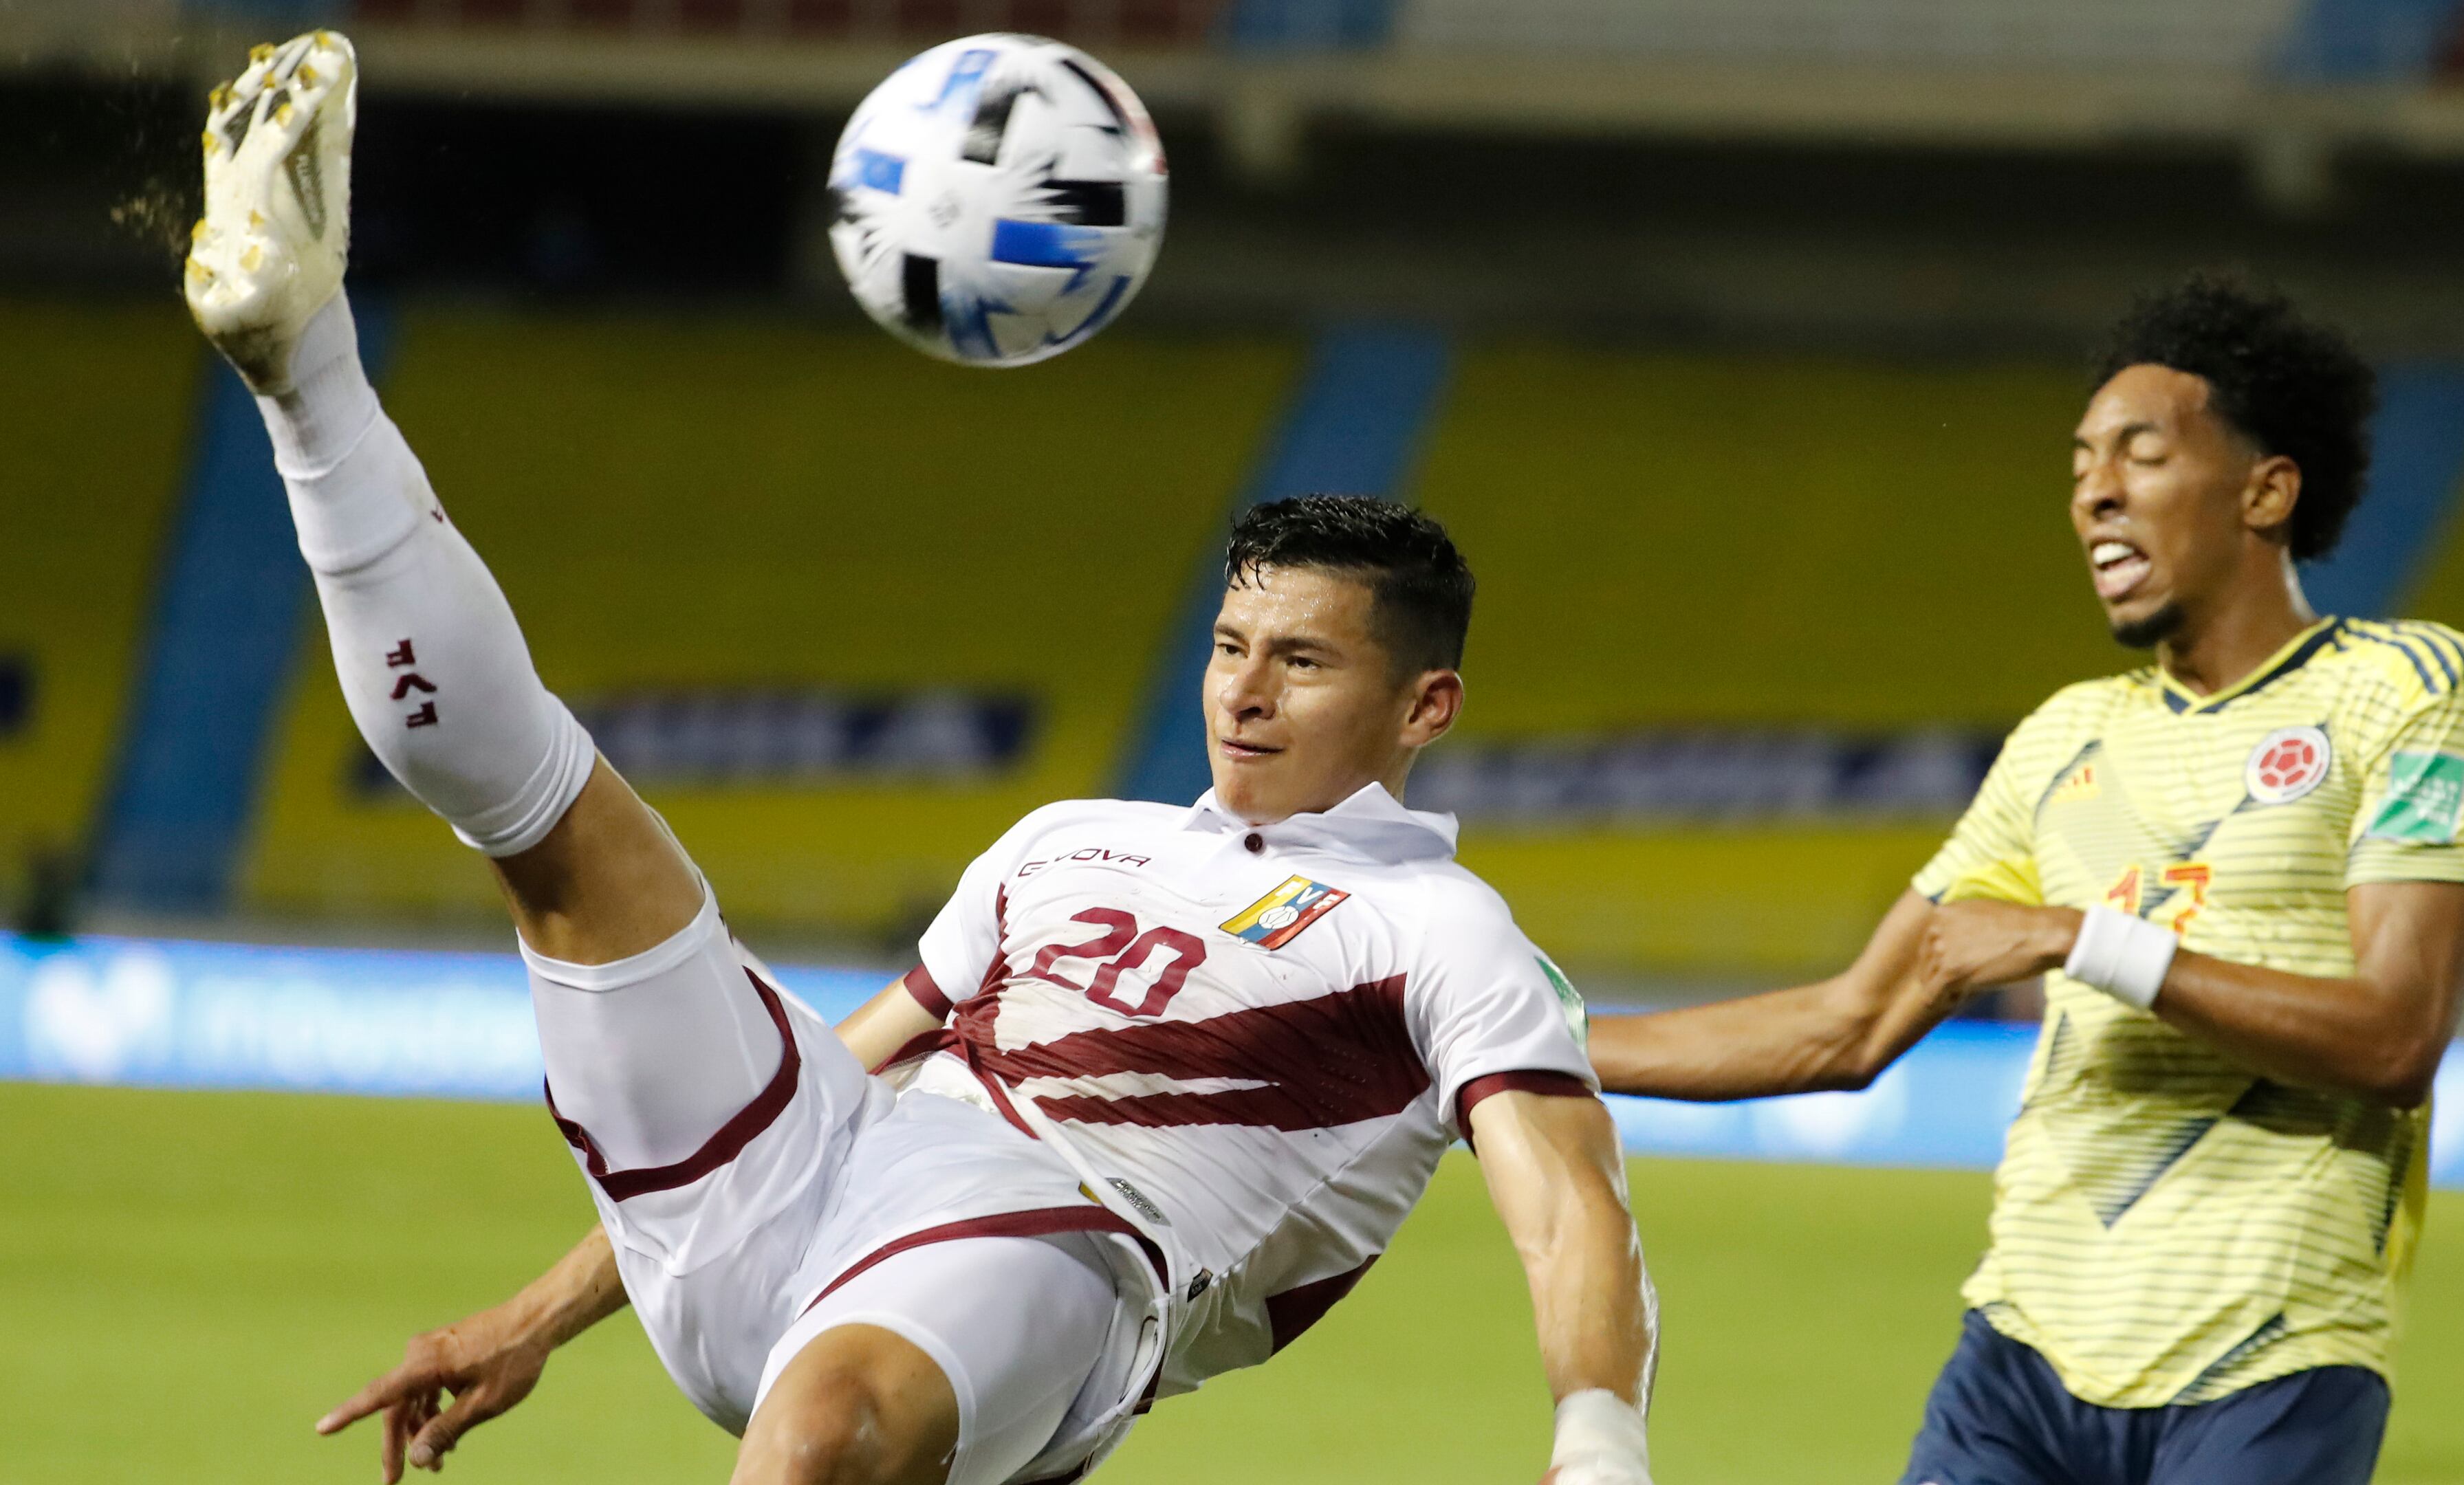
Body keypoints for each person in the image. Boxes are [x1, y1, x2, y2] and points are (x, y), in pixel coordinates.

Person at [187, 34, 1657, 1485]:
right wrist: (531, 1317)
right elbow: (851, 1062)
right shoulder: (1065, 840)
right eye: (1228, 648)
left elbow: (1564, 1197)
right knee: (549, 833)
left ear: (1426, 707)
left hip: (1071, 1249)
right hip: (814, 1175)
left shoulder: (1440, 930)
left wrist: (1598, 1443)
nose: (1246, 693)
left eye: (1306, 661)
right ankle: (306, 361)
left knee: (824, 1438)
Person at [1590, 274, 2464, 1485]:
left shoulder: (2412, 691)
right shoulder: (2064, 738)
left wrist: (2087, 940)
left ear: (2268, 489)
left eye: (2141, 455)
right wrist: (1522, 1036)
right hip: (2020, 1362)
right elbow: (1848, 1022)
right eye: (2083, 460)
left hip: (2267, 1358)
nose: (2093, 489)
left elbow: (2397, 1038)